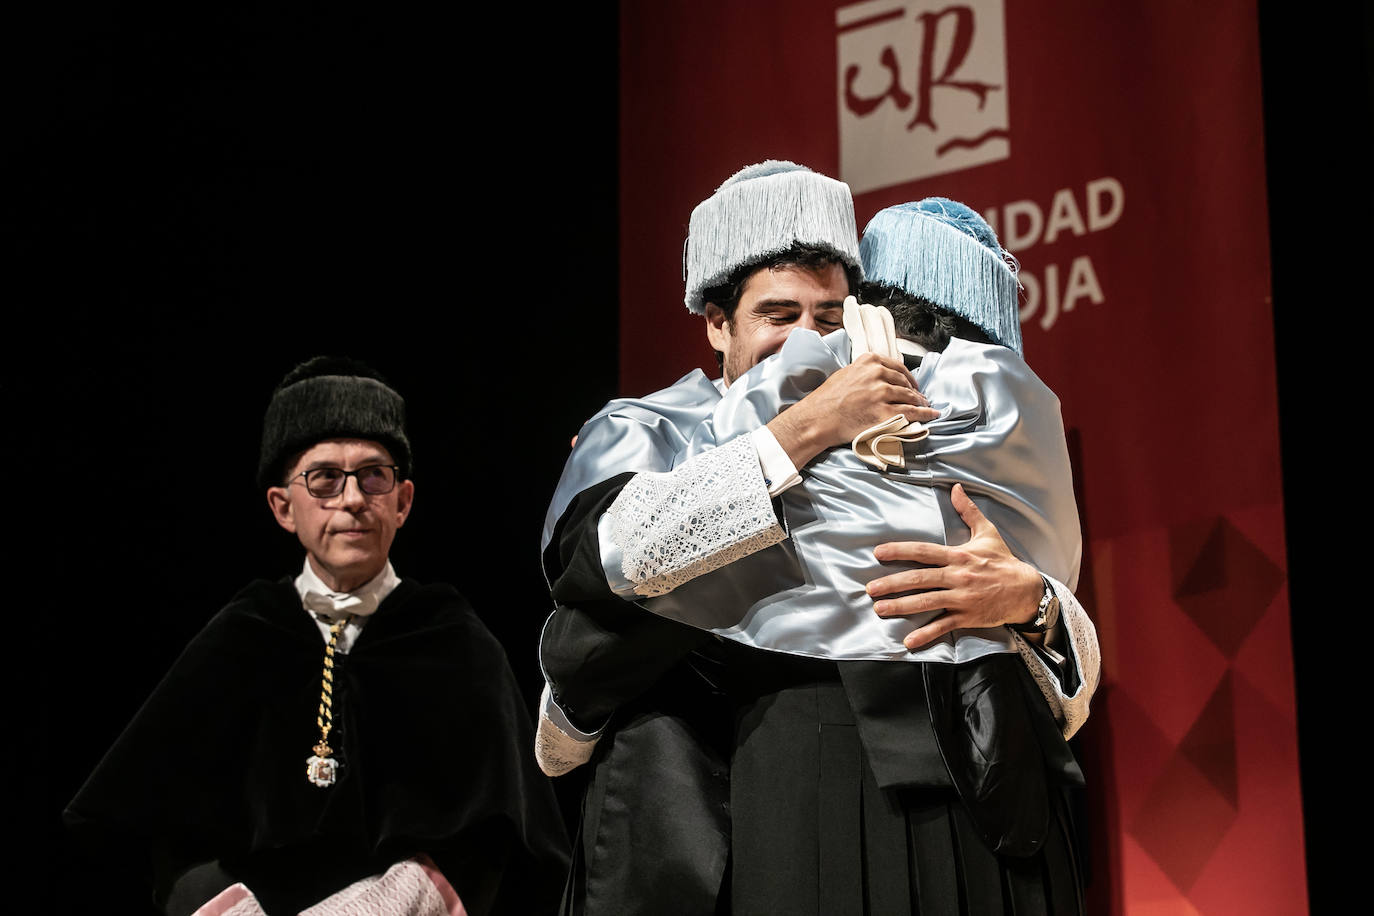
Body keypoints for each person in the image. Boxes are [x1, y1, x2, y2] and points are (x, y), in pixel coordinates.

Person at [538, 163, 1095, 914]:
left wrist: (1034, 603)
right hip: (739, 810)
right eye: (778, 314)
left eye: (828, 319)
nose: (806, 342)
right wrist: (805, 429)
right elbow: (600, 583)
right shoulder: (652, 429)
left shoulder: (915, 413)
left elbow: (1058, 679)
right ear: (717, 323)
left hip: (970, 810)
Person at [65, 356, 569, 916]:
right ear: (284, 507)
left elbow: (500, 839)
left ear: (402, 502)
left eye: (373, 475)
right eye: (325, 478)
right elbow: (150, 828)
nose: (352, 499)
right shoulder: (243, 636)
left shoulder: (452, 642)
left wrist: (388, 904)